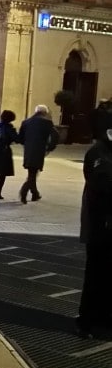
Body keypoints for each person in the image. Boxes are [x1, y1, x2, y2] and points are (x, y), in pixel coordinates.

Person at [78, 111, 112, 338]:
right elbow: (101, 183)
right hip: (102, 224)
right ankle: (87, 321)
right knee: (97, 273)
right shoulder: (99, 152)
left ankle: (105, 319)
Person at [17, 104, 59, 204]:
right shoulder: (47, 123)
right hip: (39, 150)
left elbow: (20, 137)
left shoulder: (26, 122)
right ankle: (24, 191)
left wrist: (25, 144)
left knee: (32, 172)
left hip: (28, 150)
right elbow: (55, 135)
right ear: (44, 113)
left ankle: (35, 193)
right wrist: (50, 147)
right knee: (33, 173)